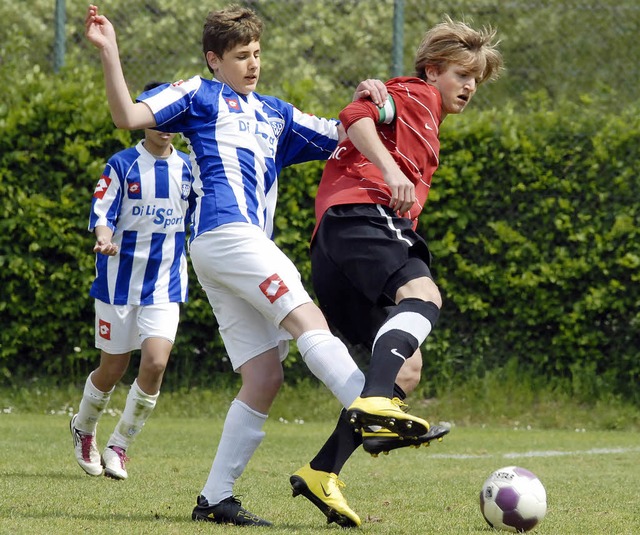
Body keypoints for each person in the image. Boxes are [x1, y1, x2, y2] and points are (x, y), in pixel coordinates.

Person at [84, 3, 428, 526]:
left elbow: (343, 130)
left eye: (257, 54)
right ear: (213, 59)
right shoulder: (197, 95)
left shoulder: (276, 113)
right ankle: (372, 405)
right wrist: (110, 51)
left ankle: (214, 499)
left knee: (264, 375)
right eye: (241, 55)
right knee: (307, 318)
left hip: (226, 251)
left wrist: (371, 94)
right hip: (228, 235)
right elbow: (127, 117)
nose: (252, 64)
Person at [289, 16, 504, 527]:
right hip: (360, 214)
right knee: (425, 294)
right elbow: (356, 114)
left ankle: (323, 470)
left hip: (338, 244)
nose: (470, 86)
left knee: (406, 367)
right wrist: (389, 171)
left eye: (476, 79)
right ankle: (377, 406)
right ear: (432, 71)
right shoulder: (416, 94)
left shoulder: (423, 114)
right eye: (461, 74)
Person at [70, 82, 193, 481]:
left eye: (172, 116)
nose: (165, 124)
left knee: (155, 362)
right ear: (143, 117)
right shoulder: (121, 165)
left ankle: (120, 444)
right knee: (113, 368)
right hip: (117, 285)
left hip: (165, 285)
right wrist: (104, 240)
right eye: (157, 116)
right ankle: (83, 427)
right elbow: (101, 213)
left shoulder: (190, 169)